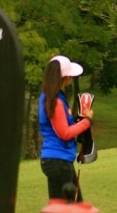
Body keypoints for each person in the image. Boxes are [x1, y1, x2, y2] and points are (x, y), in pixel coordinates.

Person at [39, 55, 94, 202]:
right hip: (58, 161)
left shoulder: (50, 97)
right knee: (67, 207)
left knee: (75, 205)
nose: (70, 79)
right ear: (65, 78)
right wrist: (86, 121)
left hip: (57, 160)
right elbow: (65, 133)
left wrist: (78, 122)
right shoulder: (55, 101)